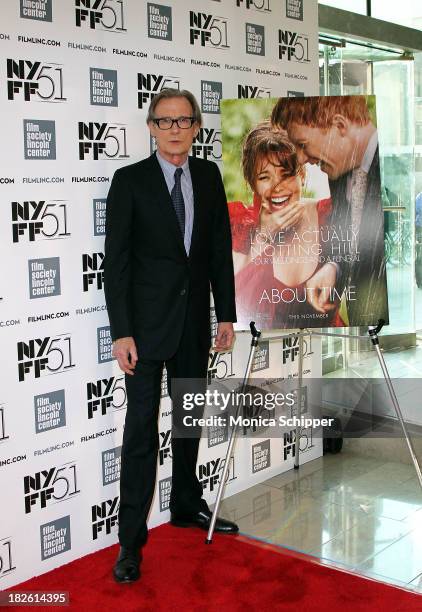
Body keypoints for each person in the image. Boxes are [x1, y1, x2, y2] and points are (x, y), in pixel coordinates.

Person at [104, 88, 238, 584]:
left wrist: (224, 314)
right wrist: (121, 332)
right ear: (152, 128)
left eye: (184, 120)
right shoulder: (129, 181)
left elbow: (219, 250)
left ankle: (185, 504)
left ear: (197, 127)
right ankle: (130, 543)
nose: (175, 128)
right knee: (141, 432)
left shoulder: (207, 176)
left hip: (192, 327)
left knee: (188, 421)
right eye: (165, 121)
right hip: (143, 330)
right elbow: (114, 265)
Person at [271, 95, 388, 326]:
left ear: (340, 125)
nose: (302, 159)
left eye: (303, 145)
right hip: (368, 332)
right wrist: (334, 267)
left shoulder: (390, 163)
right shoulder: (339, 173)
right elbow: (357, 243)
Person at [229, 122, 344, 328]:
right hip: (261, 349)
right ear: (252, 183)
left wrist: (334, 267)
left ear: (301, 175)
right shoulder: (238, 224)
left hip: (326, 348)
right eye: (265, 177)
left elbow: (363, 260)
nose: (277, 187)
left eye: (286, 174)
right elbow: (233, 297)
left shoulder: (329, 215)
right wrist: (265, 236)